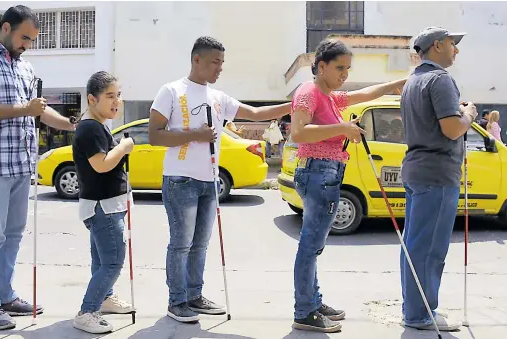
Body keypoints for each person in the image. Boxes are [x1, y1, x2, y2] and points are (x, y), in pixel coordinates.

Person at [148, 36, 291, 323]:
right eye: (215, 62)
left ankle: (194, 295)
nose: (220, 68)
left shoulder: (218, 97)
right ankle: (176, 301)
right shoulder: (172, 91)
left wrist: (294, 104)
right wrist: (194, 135)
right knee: (181, 244)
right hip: (180, 180)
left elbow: (255, 113)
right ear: (196, 60)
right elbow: (154, 136)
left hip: (209, 181)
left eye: (222, 63)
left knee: (200, 244)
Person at [0, 5, 75, 330]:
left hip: (21, 163)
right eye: (24, 37)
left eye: (32, 40)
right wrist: (24, 109)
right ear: (5, 27)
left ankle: (5, 296)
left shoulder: (24, 66)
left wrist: (74, 125)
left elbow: (38, 112)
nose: (27, 45)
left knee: (12, 234)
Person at [290, 39, 407, 333]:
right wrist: (343, 128)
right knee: (310, 246)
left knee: (313, 245)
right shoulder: (309, 92)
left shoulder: (329, 96)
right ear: (321, 66)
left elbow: (362, 93)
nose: (345, 74)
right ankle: (305, 311)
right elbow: (299, 132)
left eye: (348, 68)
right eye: (339, 68)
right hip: (317, 172)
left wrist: (394, 83)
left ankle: (312, 302)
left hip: (325, 173)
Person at [400, 27, 478, 332]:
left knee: (414, 245)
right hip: (436, 172)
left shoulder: (413, 80)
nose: (455, 50)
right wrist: (469, 114)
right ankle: (421, 314)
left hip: (418, 169)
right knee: (429, 247)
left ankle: (416, 307)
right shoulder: (440, 79)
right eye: (452, 44)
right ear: (436, 45)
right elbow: (451, 129)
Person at [71, 71, 135, 334]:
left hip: (103, 206)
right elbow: (101, 164)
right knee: (112, 261)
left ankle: (105, 298)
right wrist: (124, 146)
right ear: (92, 99)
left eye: (118, 95)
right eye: (109, 96)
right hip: (103, 208)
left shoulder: (96, 126)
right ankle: (87, 312)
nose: (116, 101)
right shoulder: (90, 128)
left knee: (101, 261)